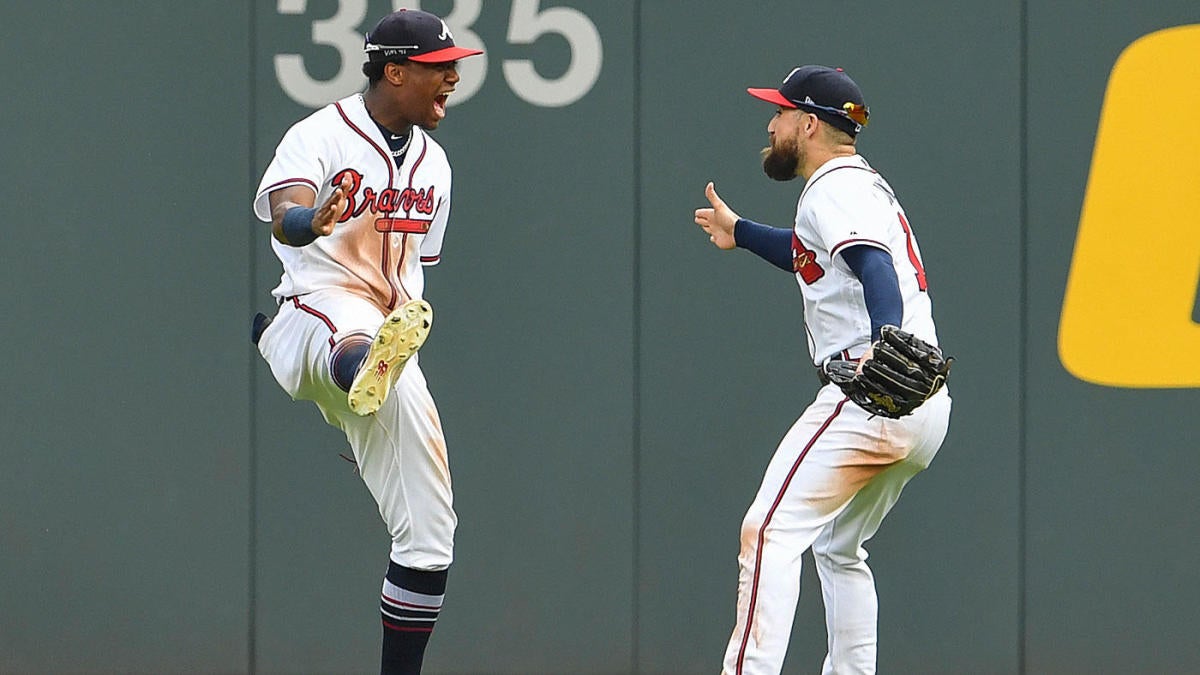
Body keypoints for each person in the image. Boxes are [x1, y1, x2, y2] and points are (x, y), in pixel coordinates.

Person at [693, 65, 953, 674]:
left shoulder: (833, 187)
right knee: (840, 546)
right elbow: (812, 255)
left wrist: (885, 339)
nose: (772, 121)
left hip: (871, 392)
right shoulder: (858, 185)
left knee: (769, 531)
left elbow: (873, 264)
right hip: (925, 407)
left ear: (809, 124)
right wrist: (741, 232)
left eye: (781, 113)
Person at [250, 9, 482, 674]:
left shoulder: (436, 166)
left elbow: (415, 276)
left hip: (391, 345)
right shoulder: (321, 133)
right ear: (395, 69)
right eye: (440, 70)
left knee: (432, 535)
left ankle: (364, 390)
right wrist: (306, 219)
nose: (453, 80)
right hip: (311, 316)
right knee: (355, 332)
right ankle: (358, 380)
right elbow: (282, 210)